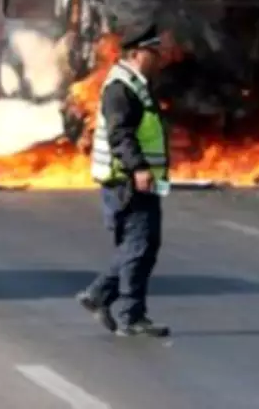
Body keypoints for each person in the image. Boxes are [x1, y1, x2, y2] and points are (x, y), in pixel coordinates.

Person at [76, 22, 171, 338]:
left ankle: (101, 297)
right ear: (136, 53)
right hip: (126, 183)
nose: (157, 57)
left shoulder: (136, 84)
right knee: (138, 246)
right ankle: (129, 315)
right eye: (152, 52)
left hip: (135, 181)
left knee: (141, 245)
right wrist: (138, 167)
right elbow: (121, 134)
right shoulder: (121, 88)